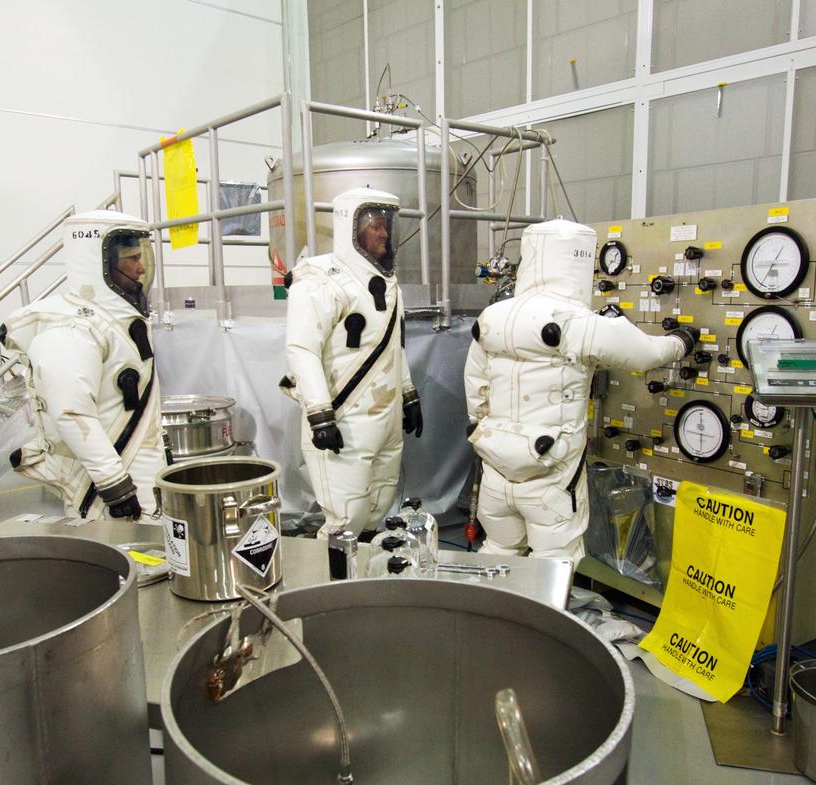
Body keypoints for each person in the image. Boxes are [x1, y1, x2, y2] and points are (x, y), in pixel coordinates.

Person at [464, 218, 698, 563]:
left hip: (496, 466)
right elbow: (646, 353)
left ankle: (491, 614)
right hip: (550, 471)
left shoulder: (492, 318)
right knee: (554, 564)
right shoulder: (578, 323)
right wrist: (681, 342)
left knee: (498, 551)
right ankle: (538, 619)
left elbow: (476, 388)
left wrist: (487, 434)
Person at [0, 210, 164, 520]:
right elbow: (72, 414)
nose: (141, 266)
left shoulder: (112, 322)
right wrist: (115, 486)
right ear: (103, 261)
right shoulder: (71, 330)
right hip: (105, 493)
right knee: (119, 557)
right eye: (130, 258)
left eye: (141, 255)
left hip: (137, 473)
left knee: (149, 554)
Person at [282, 187, 422, 538]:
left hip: (385, 419)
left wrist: (408, 395)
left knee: (377, 506)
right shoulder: (320, 281)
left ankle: (365, 583)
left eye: (388, 224)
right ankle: (332, 587)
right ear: (352, 228)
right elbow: (302, 349)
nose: (384, 233)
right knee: (346, 517)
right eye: (376, 224)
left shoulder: (390, 286)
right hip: (345, 419)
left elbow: (392, 347)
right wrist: (319, 414)